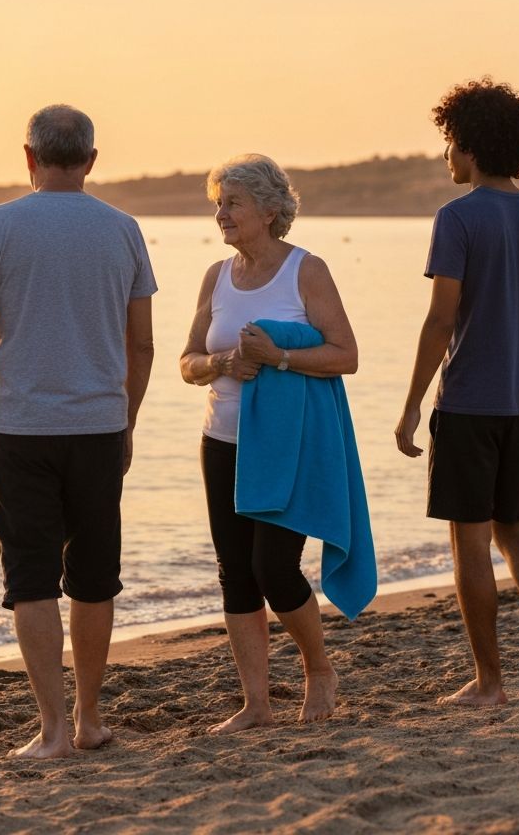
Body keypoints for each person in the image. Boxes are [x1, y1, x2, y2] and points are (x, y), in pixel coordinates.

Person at [0, 104, 156, 758]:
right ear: (90, 160)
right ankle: (89, 720)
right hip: (97, 428)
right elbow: (141, 346)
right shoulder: (123, 230)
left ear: (28, 156)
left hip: (19, 430)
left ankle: (53, 730)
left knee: (30, 578)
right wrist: (127, 421)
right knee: (93, 577)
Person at [395, 78, 519, 707]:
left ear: (470, 147)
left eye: (449, 144)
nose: (446, 157)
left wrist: (412, 403)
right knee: (516, 529)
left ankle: (490, 682)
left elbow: (440, 320)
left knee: (470, 541)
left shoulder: (457, 218)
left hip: (470, 403)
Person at [180, 154, 363, 734]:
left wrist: (279, 357)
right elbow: (188, 362)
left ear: (269, 209)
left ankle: (318, 669)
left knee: (273, 567)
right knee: (235, 571)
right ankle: (256, 704)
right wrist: (223, 362)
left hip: (288, 443)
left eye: (232, 202)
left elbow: (345, 355)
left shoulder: (305, 271)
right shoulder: (216, 275)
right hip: (223, 440)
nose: (221, 214)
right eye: (218, 203)